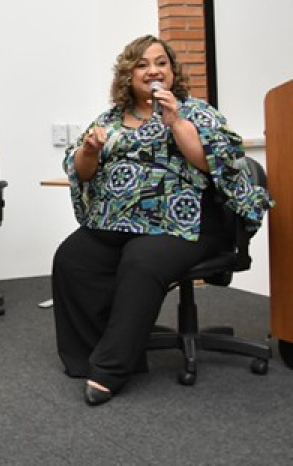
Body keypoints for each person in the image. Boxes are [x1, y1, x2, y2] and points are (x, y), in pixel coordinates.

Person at [52, 35, 272, 406]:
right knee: (73, 257)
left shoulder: (196, 112)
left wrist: (174, 121)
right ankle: (94, 352)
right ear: (128, 74)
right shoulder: (109, 119)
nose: (153, 70)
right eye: (142, 64)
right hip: (119, 221)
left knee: (142, 260)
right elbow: (83, 172)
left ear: (172, 71)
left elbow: (214, 163)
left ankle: (110, 370)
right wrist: (89, 150)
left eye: (161, 63)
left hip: (186, 224)